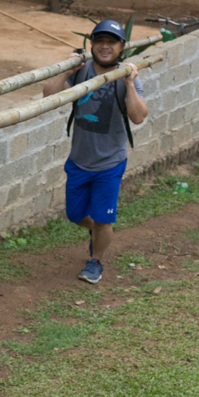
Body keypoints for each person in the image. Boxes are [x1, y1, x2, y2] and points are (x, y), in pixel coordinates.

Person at [42, 19, 148, 286]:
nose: (104, 47)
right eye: (99, 41)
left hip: (109, 163)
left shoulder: (127, 76)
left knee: (102, 217)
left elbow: (138, 117)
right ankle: (101, 231)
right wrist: (66, 69)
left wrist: (131, 83)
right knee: (75, 215)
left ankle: (96, 260)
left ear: (121, 47)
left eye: (111, 42)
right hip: (79, 160)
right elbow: (48, 96)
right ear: (91, 44)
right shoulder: (82, 70)